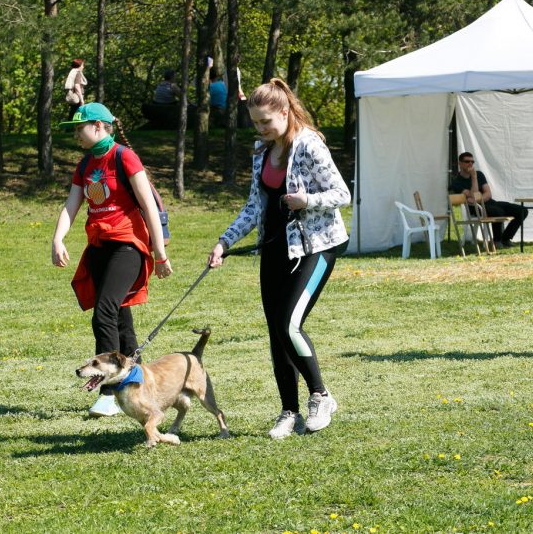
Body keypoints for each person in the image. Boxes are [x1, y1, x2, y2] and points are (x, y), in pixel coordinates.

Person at [207, 78, 350, 439]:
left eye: (266, 122)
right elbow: (254, 205)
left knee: (289, 324)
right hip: (273, 249)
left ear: (285, 112)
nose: (261, 129)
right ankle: (289, 411)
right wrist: (224, 242)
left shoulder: (310, 146)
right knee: (276, 333)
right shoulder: (261, 150)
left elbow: (342, 193)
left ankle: (321, 396)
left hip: (316, 247)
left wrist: (307, 202)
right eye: (255, 123)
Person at [51, 103, 173, 416]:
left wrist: (159, 253)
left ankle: (108, 389)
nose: (77, 134)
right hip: (100, 246)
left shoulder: (124, 156)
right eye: (75, 129)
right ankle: (139, 381)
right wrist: (57, 238)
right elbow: (72, 205)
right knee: (119, 315)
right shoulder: (84, 164)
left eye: (81, 127)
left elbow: (148, 205)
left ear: (102, 126)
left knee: (103, 311)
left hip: (128, 244)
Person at [449, 152, 528, 248]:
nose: (470, 164)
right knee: (498, 211)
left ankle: (505, 238)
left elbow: (488, 193)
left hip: (489, 202)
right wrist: (473, 177)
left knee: (522, 210)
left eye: (472, 162)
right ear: (460, 163)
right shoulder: (457, 182)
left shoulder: (479, 174)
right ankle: (497, 241)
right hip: (475, 208)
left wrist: (479, 198)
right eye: (467, 161)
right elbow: (474, 196)